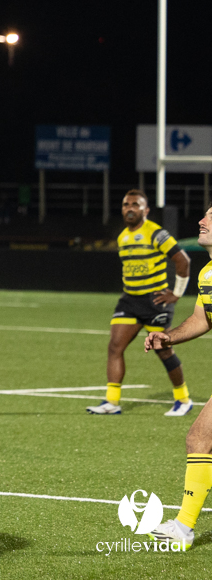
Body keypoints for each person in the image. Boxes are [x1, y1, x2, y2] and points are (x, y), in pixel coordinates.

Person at [86, 189, 193, 416]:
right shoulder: (123, 236)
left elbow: (183, 260)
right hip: (129, 300)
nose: (130, 208)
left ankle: (183, 400)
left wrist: (176, 294)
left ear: (146, 210)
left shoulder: (156, 233)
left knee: (163, 351)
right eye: (126, 204)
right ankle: (112, 403)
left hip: (155, 301)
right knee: (115, 347)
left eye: (135, 204)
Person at [144, 204, 212, 547]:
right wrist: (168, 336)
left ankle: (183, 528)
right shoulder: (208, 274)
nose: (201, 221)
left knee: (199, 439)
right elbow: (202, 318)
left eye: (211, 217)